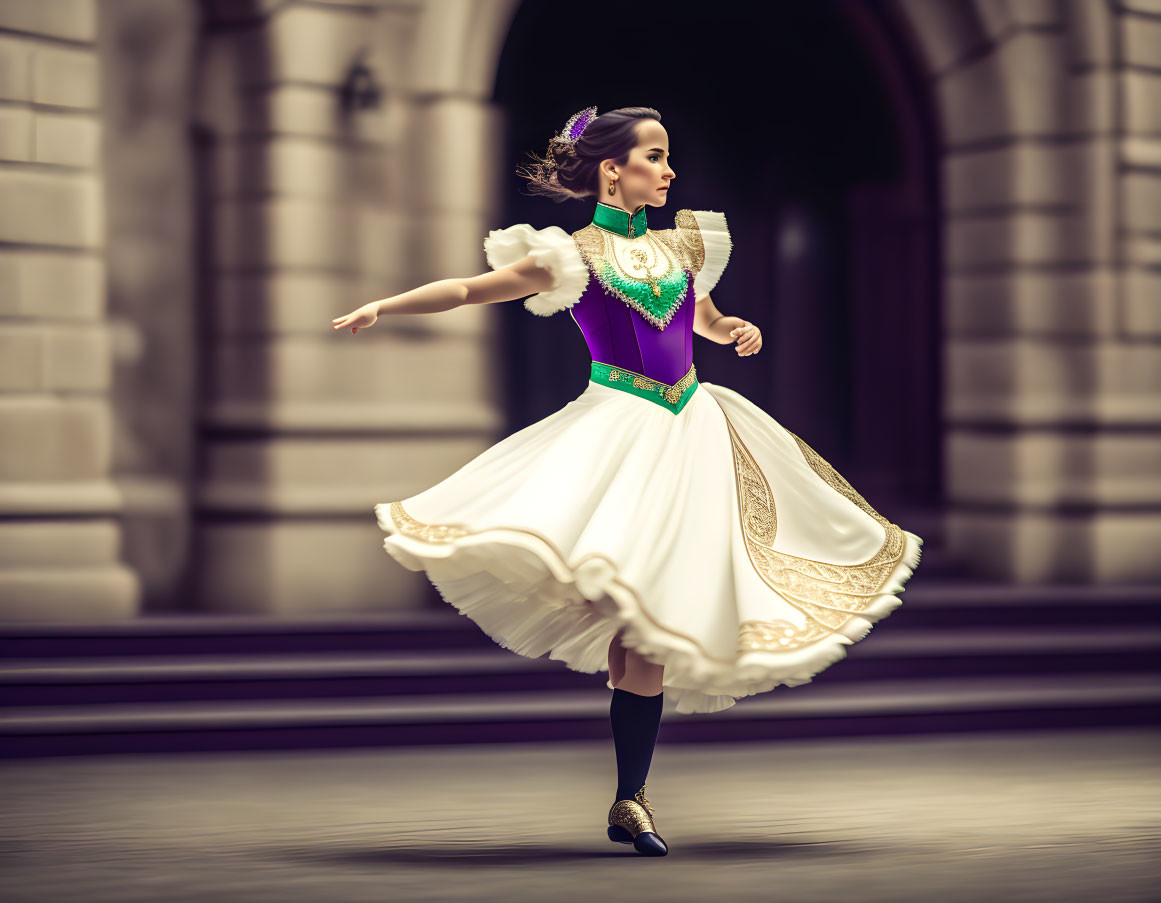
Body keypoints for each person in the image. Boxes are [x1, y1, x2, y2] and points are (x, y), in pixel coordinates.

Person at [331, 105, 924, 857]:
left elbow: (700, 320)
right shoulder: (567, 255)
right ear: (614, 168)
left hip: (695, 428)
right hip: (618, 426)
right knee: (636, 628)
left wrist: (732, 328)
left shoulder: (683, 247)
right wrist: (385, 304)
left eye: (668, 156)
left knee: (646, 636)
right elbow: (470, 289)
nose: (668, 170)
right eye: (654, 155)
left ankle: (628, 799)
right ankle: (632, 796)